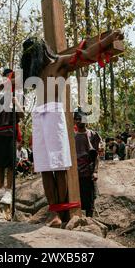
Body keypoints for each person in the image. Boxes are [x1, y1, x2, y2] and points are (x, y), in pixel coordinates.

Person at [21, 31, 122, 227]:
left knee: (58, 166)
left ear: (41, 50)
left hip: (53, 115)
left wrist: (108, 41)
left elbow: (84, 55)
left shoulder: (59, 62)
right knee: (44, 168)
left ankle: (62, 213)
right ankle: (53, 214)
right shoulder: (36, 72)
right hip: (38, 117)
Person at [0, 68, 24, 205]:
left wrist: (17, 103)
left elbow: (22, 114)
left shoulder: (18, 94)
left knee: (10, 164)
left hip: (10, 132)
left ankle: (9, 191)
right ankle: (1, 189)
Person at [74, 108, 101, 217]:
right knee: (77, 198)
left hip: (88, 172)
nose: (78, 121)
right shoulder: (72, 136)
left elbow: (96, 155)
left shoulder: (93, 135)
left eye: (80, 118)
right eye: (76, 119)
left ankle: (90, 220)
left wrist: (95, 171)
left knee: (89, 199)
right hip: (75, 173)